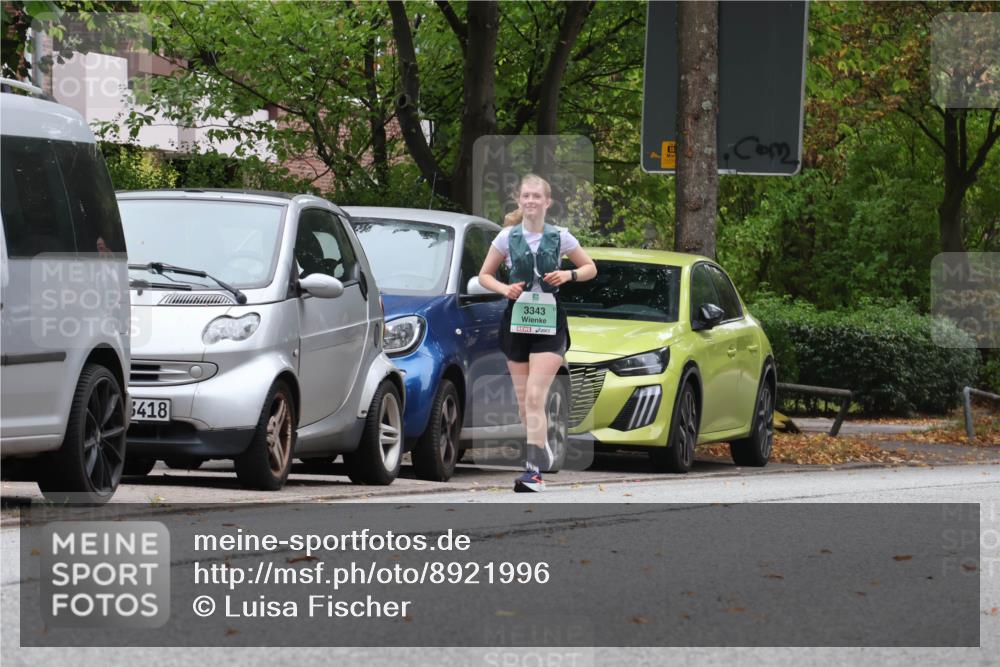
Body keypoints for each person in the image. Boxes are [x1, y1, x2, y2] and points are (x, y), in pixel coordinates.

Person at [478, 174, 597, 492]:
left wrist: (568, 274)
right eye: (525, 196)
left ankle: (532, 473)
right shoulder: (505, 237)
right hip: (516, 321)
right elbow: (484, 275)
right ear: (519, 201)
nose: (530, 201)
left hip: (549, 323)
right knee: (524, 402)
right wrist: (505, 288)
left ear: (547, 202)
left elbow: (590, 268)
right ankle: (539, 443)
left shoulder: (561, 237)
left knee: (534, 396)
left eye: (536, 196)